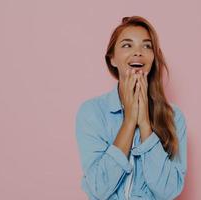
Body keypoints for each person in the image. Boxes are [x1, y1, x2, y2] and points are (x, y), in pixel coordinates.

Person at [75, 16, 187, 200]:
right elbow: (98, 188)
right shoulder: (92, 113)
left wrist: (144, 124)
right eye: (127, 45)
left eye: (147, 46)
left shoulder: (174, 117)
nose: (138, 52)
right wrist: (129, 122)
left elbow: (169, 191)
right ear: (112, 59)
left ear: (153, 58)